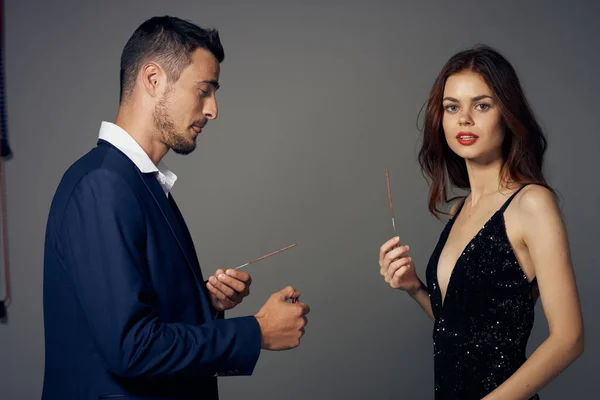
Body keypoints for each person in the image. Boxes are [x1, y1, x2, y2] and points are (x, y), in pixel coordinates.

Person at [42, 15, 309, 400]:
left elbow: (132, 316)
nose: (213, 109)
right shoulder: (103, 185)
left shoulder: (140, 182)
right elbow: (132, 349)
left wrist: (205, 303)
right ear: (153, 79)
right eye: (204, 90)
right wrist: (257, 331)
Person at [378, 45, 583, 399]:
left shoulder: (531, 204)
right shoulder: (462, 209)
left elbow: (569, 339)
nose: (464, 119)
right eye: (452, 107)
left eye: (482, 105)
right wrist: (414, 288)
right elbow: (462, 333)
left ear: (507, 113)